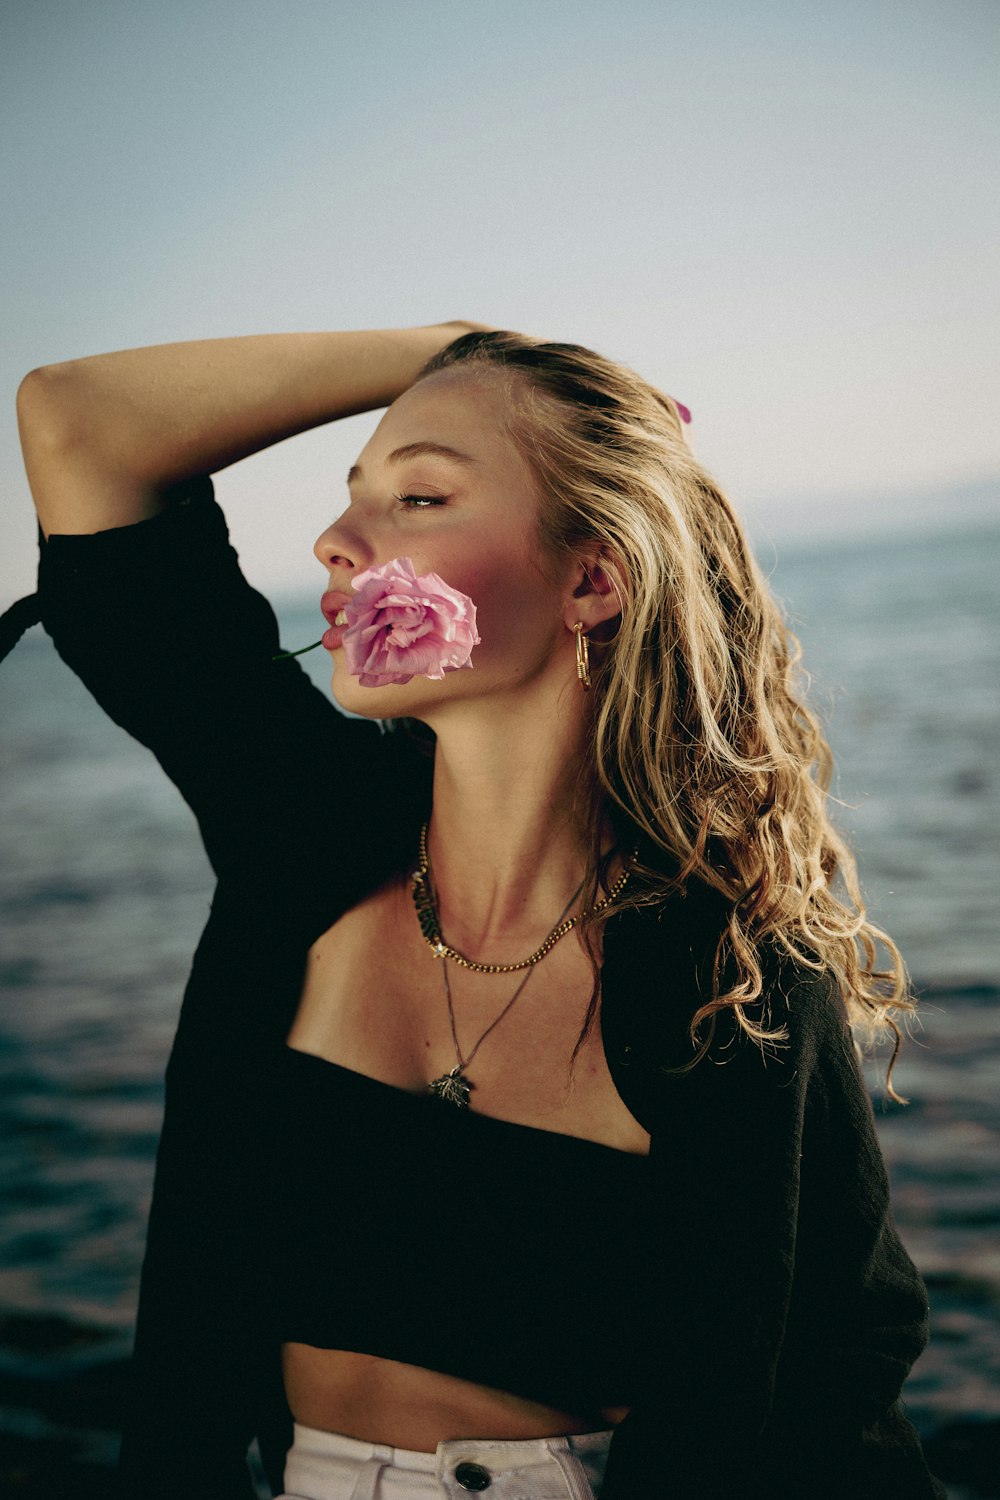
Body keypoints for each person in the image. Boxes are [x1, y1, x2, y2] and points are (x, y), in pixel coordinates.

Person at [13, 323, 945, 1500]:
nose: (336, 543)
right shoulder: (299, 824)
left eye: (419, 497)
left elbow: (802, 1395)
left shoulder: (732, 974)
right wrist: (457, 347)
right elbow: (77, 422)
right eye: (355, 498)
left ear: (590, 580)